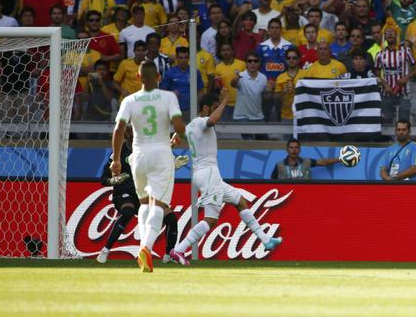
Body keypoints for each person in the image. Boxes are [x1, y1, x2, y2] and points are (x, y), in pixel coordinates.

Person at [169, 90, 283, 265]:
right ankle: (178, 250)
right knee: (211, 220)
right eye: (213, 108)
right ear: (205, 108)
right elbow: (212, 120)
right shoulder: (200, 123)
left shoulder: (191, 125)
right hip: (208, 174)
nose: (217, 111)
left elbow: (178, 136)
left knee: (241, 201)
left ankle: (265, 239)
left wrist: (174, 141)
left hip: (207, 174)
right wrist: (224, 102)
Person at [110, 60, 186, 273]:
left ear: (138, 78)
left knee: (144, 203)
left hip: (139, 155)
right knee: (158, 205)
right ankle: (146, 247)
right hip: (161, 153)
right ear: (159, 77)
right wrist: (178, 135)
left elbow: (118, 130)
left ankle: (143, 250)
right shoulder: (168, 97)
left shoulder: (130, 100)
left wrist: (116, 159)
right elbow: (179, 126)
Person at [96, 125, 182, 264]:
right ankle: (105, 250)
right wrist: (114, 180)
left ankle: (168, 256)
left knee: (171, 218)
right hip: (124, 194)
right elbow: (103, 179)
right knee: (128, 211)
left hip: (143, 195)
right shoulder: (118, 153)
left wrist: (172, 166)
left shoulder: (146, 151)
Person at [271, 138, 340, 179]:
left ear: (299, 149)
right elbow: (271, 184)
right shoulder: (279, 165)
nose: (294, 150)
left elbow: (324, 162)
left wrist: (340, 159)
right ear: (287, 149)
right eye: (291, 147)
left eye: (296, 147)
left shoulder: (306, 162)